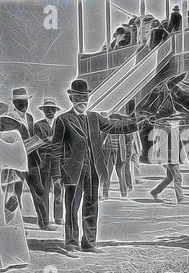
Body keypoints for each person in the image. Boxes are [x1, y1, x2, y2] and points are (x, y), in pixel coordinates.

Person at [50, 79, 138, 253]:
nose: (82, 101)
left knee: (91, 206)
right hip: (72, 171)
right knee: (72, 208)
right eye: (78, 98)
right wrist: (56, 174)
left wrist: (137, 120)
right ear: (72, 98)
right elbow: (56, 147)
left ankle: (89, 243)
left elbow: (115, 127)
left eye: (85, 97)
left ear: (88, 98)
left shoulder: (95, 117)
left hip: (94, 169)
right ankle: (71, 243)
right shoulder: (63, 120)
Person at [0, 88, 57, 231]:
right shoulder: (6, 119)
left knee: (40, 191)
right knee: (16, 193)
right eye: (20, 102)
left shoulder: (30, 117)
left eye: (25, 102)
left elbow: (30, 135)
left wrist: (37, 142)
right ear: (14, 102)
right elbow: (7, 141)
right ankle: (16, 224)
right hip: (18, 163)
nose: (24, 105)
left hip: (32, 161)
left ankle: (44, 223)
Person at [0, 100, 31, 271]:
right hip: (0, 182)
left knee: (3, 216)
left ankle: (5, 259)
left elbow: (17, 158)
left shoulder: (1, 138)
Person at [34, 98, 64, 225]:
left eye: (52, 109)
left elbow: (65, 143)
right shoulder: (38, 125)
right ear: (43, 111)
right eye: (47, 109)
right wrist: (52, 140)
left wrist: (50, 141)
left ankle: (58, 218)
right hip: (45, 162)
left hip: (58, 162)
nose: (50, 111)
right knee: (44, 191)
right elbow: (38, 144)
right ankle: (45, 219)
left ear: (55, 111)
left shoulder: (61, 124)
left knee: (59, 190)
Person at [149, 121, 189, 204]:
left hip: (173, 155)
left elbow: (179, 141)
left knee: (170, 177)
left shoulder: (175, 126)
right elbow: (162, 142)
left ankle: (155, 191)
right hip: (170, 155)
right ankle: (180, 198)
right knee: (178, 177)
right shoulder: (166, 127)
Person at [102, 114, 128, 199]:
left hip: (119, 154)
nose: (113, 122)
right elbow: (101, 140)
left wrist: (124, 156)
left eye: (115, 120)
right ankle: (105, 194)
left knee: (121, 175)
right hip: (108, 153)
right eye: (112, 120)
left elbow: (124, 143)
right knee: (107, 174)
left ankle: (124, 193)